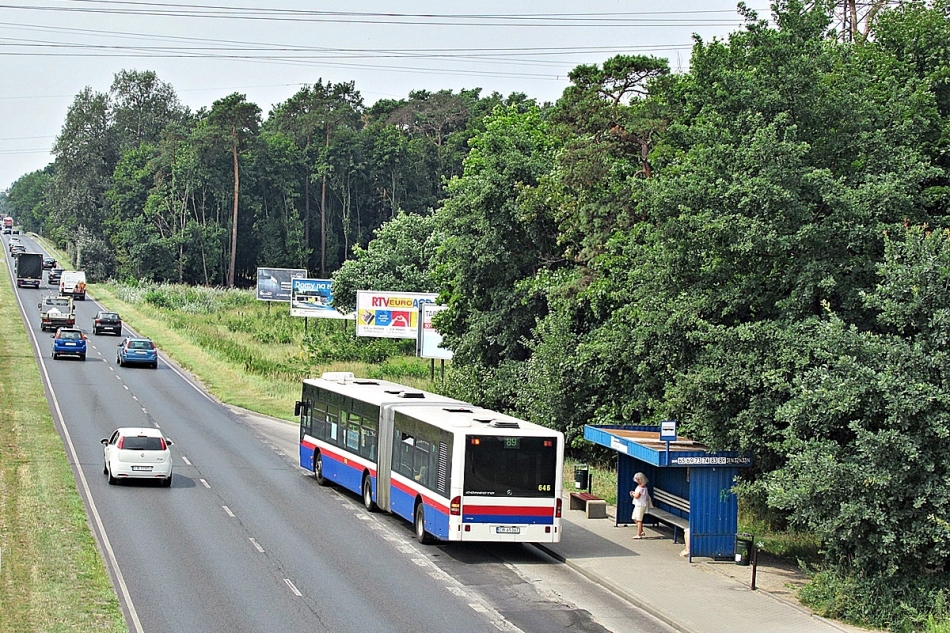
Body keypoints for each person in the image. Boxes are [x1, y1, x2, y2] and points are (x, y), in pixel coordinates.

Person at [629, 472, 650, 539]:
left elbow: (637, 496)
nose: (636, 480)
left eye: (638, 479)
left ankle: (639, 535)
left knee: (639, 519)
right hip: (638, 504)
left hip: (640, 505)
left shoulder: (641, 488)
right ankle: (641, 531)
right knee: (634, 518)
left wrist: (633, 494)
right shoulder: (642, 487)